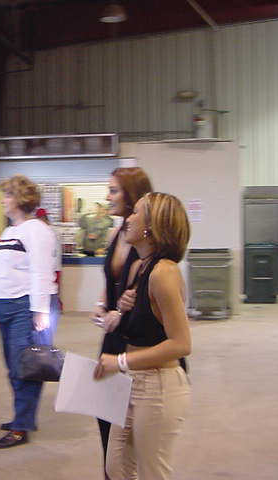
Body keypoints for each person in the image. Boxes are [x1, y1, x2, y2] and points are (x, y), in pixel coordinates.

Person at [94, 192, 192, 480]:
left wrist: (120, 362)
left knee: (152, 472)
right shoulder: (142, 267)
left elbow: (181, 344)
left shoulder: (164, 272)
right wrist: (120, 311)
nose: (129, 218)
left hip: (157, 385)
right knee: (116, 467)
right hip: (132, 380)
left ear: (152, 225)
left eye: (136, 212)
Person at [0, 175, 58, 449]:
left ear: (21, 199)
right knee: (13, 368)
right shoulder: (11, 230)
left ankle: (21, 427)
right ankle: (21, 416)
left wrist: (39, 312)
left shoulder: (36, 230)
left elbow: (41, 272)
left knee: (26, 368)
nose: (3, 200)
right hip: (7, 309)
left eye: (8, 195)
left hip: (24, 309)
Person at [91, 167, 153, 476]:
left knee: (133, 432)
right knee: (105, 418)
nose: (108, 196)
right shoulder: (116, 233)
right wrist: (102, 305)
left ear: (132, 195)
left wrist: (125, 307)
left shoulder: (148, 239)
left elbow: (152, 283)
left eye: (114, 190)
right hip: (111, 337)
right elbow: (112, 280)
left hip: (136, 339)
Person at [33, 208, 62, 345]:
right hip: (51, 272)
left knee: (47, 313)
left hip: (50, 273)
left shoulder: (49, 232)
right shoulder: (48, 232)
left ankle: (44, 346)